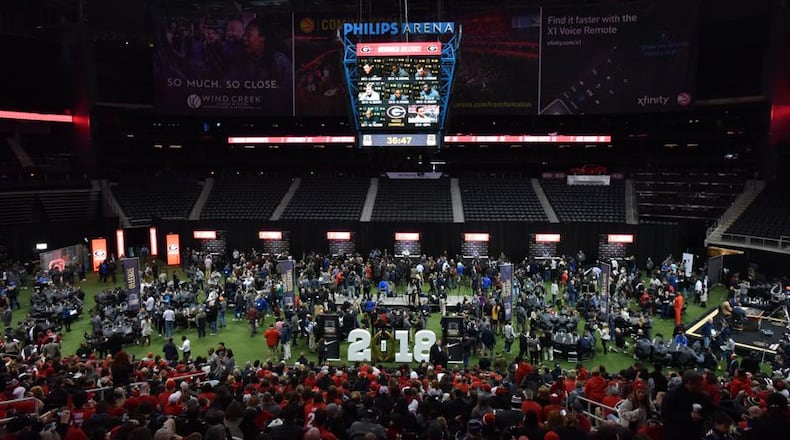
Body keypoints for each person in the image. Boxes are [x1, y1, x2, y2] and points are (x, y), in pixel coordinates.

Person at [661, 370, 711, 440]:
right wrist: (688, 416)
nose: (700, 387)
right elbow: (665, 414)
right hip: (676, 433)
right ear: (690, 383)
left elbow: (708, 408)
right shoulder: (673, 394)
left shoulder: (699, 394)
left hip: (693, 432)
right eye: (698, 385)